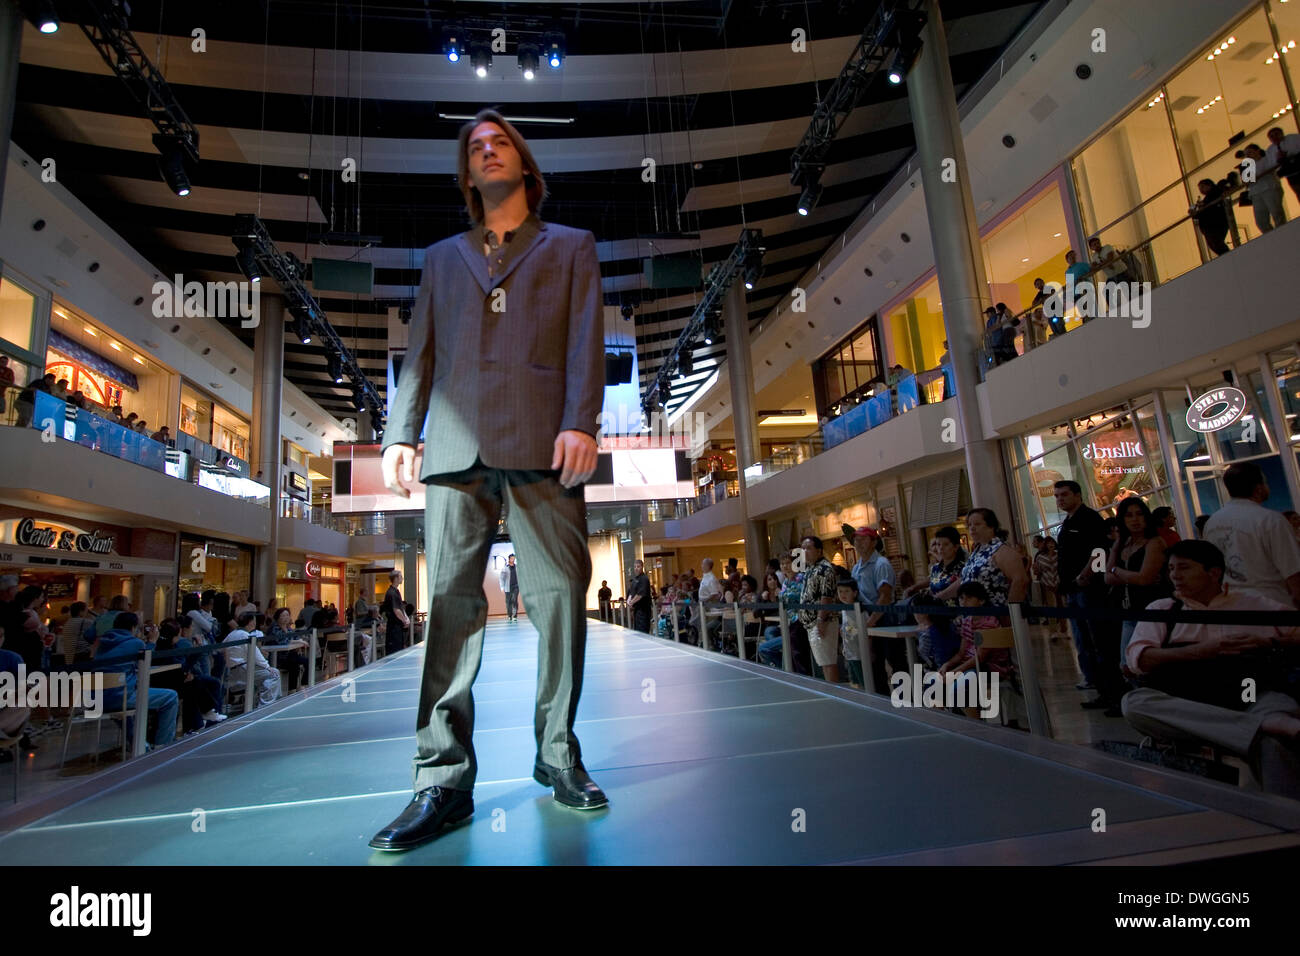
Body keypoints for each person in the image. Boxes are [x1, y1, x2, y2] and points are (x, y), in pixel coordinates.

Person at [369, 108, 607, 851]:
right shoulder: (442, 257)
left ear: (524, 164)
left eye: (499, 140)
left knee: (562, 595)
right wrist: (400, 431)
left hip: (545, 441)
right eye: (474, 146)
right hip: (455, 446)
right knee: (447, 604)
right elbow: (422, 350)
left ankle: (557, 754)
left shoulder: (573, 247)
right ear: (466, 174)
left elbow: (584, 339)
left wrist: (582, 420)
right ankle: (441, 780)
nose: (486, 148)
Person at [1121, 540, 1300, 799]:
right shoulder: (1163, 610)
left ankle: (1288, 818)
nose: (1175, 576)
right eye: (1171, 569)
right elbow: (1140, 659)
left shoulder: (1254, 605)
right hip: (1186, 703)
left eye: (1184, 568)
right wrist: (1204, 650)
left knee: (1279, 728)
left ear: (1213, 572)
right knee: (1134, 704)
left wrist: (1269, 641)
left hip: (1251, 698)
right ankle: (1260, 726)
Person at [1051, 480, 1123, 715]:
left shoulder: (1090, 519)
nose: (1059, 499)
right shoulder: (1068, 522)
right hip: (1073, 589)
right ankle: (1101, 689)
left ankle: (1114, 693)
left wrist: (1087, 575)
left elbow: (1100, 551)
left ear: (1077, 495)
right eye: (1057, 496)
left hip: (1089, 590)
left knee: (1099, 641)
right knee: (1085, 642)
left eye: (1064, 495)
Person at [1203, 461, 1300, 607]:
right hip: (1271, 605)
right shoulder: (1270, 520)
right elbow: (1293, 571)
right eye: (1265, 482)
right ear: (1258, 488)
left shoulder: (1212, 523)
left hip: (1230, 605)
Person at [92, 612, 180, 750]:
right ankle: (163, 744)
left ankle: (140, 745)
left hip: (95, 699)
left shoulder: (102, 643)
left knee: (124, 708)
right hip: (119, 697)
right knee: (171, 697)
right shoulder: (135, 643)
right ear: (133, 628)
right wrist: (151, 642)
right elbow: (145, 663)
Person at [1104, 497, 1170, 666]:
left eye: (1139, 514)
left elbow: (1144, 579)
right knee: (1127, 665)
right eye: (1129, 515)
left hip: (1151, 610)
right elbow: (1108, 577)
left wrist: (1117, 570)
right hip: (1128, 611)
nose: (1135, 519)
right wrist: (1130, 576)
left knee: (1143, 664)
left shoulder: (1154, 542)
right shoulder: (1121, 543)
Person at [852, 526, 901, 692]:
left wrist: (871, 621)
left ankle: (906, 700)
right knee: (874, 661)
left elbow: (885, 596)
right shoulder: (857, 567)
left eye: (863, 539)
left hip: (884, 618)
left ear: (874, 542)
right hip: (866, 618)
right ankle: (882, 697)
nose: (858, 543)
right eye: (856, 540)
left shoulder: (881, 564)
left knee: (895, 660)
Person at [797, 535, 841, 683]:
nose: (805, 551)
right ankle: (830, 689)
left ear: (819, 550)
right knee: (823, 660)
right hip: (811, 623)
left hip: (822, 621)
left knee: (828, 660)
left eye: (808, 548)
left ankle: (835, 691)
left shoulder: (824, 569)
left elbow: (826, 596)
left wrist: (821, 620)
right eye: (802, 548)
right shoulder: (810, 569)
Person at [223, 611, 281, 705]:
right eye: (254, 620)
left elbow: (221, 650)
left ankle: (264, 701)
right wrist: (267, 667)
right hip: (243, 670)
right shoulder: (245, 635)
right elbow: (256, 655)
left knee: (269, 674)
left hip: (232, 672)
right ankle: (266, 705)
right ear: (250, 622)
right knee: (274, 674)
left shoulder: (232, 634)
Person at [1240, 142, 1287, 233]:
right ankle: (1271, 236)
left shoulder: (1267, 159)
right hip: (1255, 192)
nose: (1248, 155)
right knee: (1260, 221)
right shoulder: (1248, 168)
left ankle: (1283, 232)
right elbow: (1245, 181)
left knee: (1276, 213)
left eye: (1249, 152)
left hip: (1269, 187)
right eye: (1246, 154)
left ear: (1257, 150)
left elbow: (1274, 167)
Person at [1032, 536, 1067, 637]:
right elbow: (1037, 571)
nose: (1051, 545)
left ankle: (1064, 629)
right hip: (1047, 584)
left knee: (1061, 607)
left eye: (1052, 542)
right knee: (1052, 607)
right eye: (1048, 543)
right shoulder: (1040, 557)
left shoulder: (1059, 555)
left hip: (1058, 583)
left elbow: (1062, 569)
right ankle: (1053, 631)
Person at [835, 575, 864, 688]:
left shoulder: (859, 610)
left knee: (863, 679)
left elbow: (859, 629)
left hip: (859, 652)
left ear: (855, 593)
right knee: (854, 680)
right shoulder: (844, 609)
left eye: (847, 591)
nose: (843, 594)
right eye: (840, 591)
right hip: (849, 652)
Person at [1190, 178, 1231, 257]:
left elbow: (1209, 211)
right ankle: (1226, 256)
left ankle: (1228, 256)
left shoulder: (1215, 193)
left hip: (1215, 224)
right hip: (1210, 226)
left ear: (1209, 185)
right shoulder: (1208, 198)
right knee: (1213, 243)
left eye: (1202, 187)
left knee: (1216, 242)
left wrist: (1199, 210)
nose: (1201, 190)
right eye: (1200, 188)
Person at [1265, 125, 1300, 202]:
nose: (1274, 137)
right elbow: (1271, 164)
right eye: (1271, 136)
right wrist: (1278, 159)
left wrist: (1289, 154)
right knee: (1298, 192)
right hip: (1289, 173)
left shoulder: (1293, 138)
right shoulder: (1270, 150)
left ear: (1281, 133)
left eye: (1276, 134)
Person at [381, 570, 410, 655]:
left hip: (397, 626)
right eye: (401, 577)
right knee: (394, 651)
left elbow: (400, 608)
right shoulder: (391, 593)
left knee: (398, 649)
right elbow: (396, 610)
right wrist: (405, 620)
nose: (402, 578)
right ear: (396, 578)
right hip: (394, 627)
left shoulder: (396, 591)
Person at [627, 559, 652, 633]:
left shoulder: (644, 579)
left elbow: (640, 594)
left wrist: (631, 602)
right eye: (635, 567)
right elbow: (632, 593)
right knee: (637, 630)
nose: (636, 568)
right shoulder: (635, 579)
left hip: (643, 610)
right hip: (636, 610)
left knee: (643, 630)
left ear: (642, 567)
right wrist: (629, 601)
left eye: (638, 566)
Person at [499, 554, 521, 622]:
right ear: (509, 559)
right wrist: (502, 587)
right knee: (508, 602)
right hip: (507, 587)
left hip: (516, 586)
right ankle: (509, 615)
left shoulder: (517, 567)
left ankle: (515, 616)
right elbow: (501, 578)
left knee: (514, 600)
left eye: (514, 558)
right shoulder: (505, 567)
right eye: (511, 558)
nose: (513, 559)